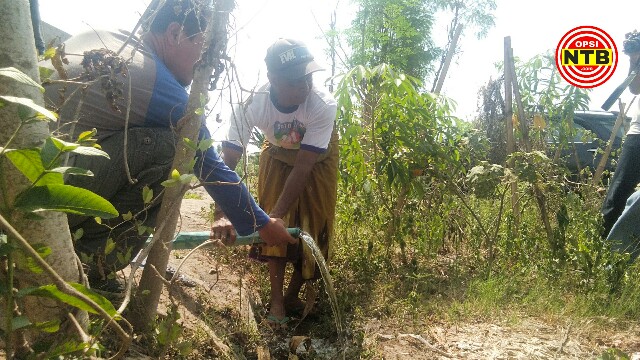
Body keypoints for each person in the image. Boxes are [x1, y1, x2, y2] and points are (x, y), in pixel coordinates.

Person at [42, 0, 295, 288]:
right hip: (43, 189)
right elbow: (209, 164)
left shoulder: (109, 39)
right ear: (175, 33)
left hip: (25, 175)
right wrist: (263, 224)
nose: (205, 66)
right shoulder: (155, 80)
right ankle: (85, 270)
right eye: (202, 50)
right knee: (173, 150)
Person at [214, 38, 339, 327]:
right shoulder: (251, 105)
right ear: (272, 79)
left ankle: (294, 294)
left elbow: (305, 165)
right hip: (278, 152)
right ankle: (277, 300)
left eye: (308, 77)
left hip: (317, 155)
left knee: (314, 223)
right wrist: (221, 213)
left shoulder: (322, 105)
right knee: (268, 220)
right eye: (296, 81)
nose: (305, 86)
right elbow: (226, 162)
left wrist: (277, 217)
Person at [601, 31, 640, 238]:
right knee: (618, 193)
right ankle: (602, 248)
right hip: (638, 134)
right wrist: (635, 58)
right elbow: (634, 88)